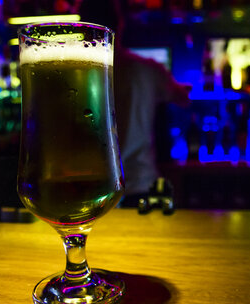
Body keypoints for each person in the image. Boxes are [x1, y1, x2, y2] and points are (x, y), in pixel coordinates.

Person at [78, 0, 191, 207]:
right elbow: (182, 98)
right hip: (142, 182)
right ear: (120, 25)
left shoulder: (77, 75)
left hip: (93, 187)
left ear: (82, 29)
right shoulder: (149, 70)